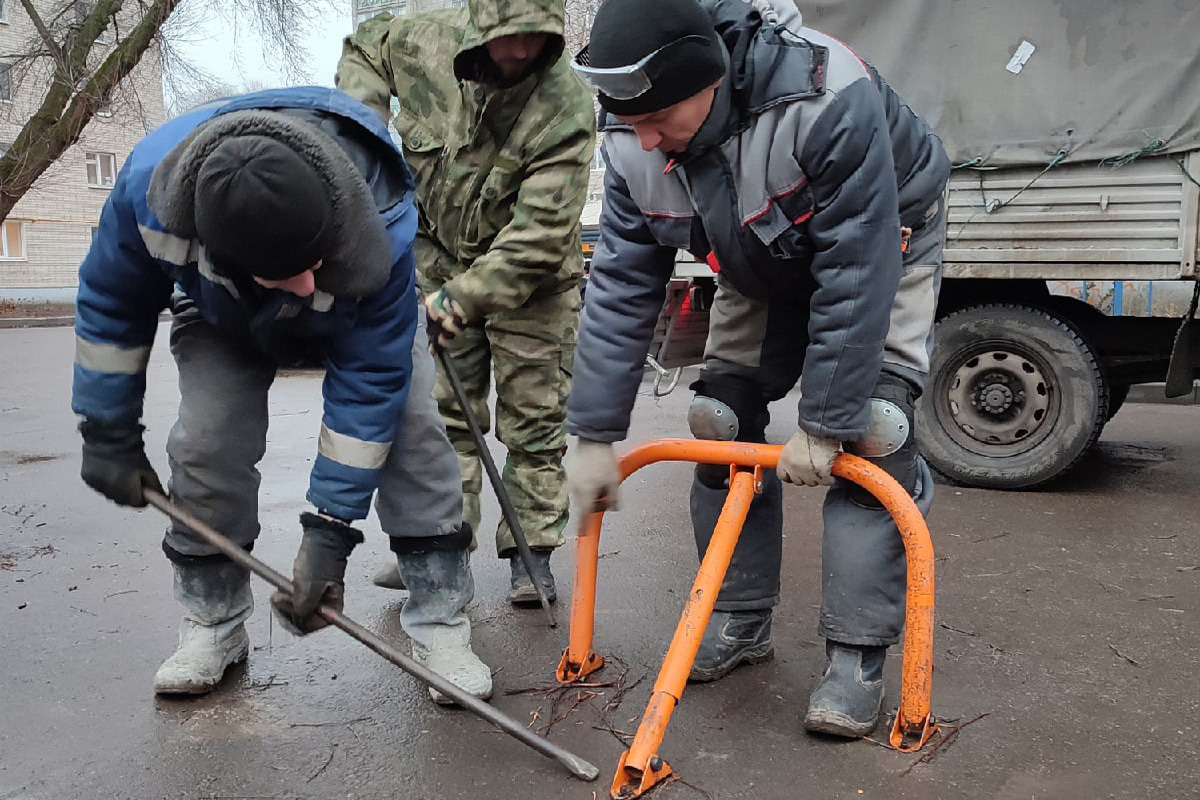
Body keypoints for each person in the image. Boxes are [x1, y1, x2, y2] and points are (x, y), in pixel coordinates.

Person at [565, 0, 951, 739]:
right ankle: (742, 618)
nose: (642, 138)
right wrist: (592, 433)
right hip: (758, 245)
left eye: (658, 118)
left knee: (875, 431)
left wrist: (826, 420)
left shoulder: (823, 97)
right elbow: (620, 282)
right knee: (719, 422)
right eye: (628, 119)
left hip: (884, 236)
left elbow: (856, 264)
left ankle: (857, 655)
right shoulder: (632, 130)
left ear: (708, 78)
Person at [71, 86, 493, 705]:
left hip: (359, 306)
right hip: (221, 313)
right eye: (282, 272)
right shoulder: (147, 197)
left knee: (413, 435)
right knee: (207, 439)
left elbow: (370, 386)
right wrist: (106, 427)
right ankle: (212, 624)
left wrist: (329, 533)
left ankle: (442, 623)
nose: (302, 285)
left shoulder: (380, 208)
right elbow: (112, 308)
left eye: (311, 259)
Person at [335, 0, 596, 606]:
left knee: (534, 421)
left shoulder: (567, 107)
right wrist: (364, 137)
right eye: (507, 38)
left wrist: (459, 301)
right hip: (438, 256)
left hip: (532, 282)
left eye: (537, 39)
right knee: (444, 415)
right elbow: (364, 49)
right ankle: (440, 547)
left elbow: (538, 237)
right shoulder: (419, 36)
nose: (520, 54)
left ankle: (531, 555)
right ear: (478, 24)